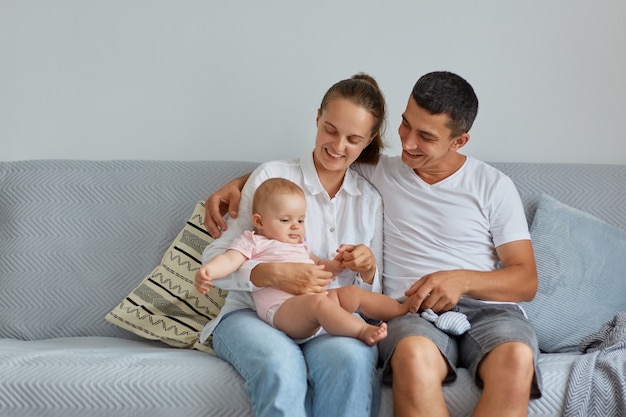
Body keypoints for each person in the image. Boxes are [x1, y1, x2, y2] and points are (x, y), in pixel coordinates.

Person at [204, 71, 543, 417]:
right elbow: (309, 168)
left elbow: (525, 280)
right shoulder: (367, 172)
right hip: (367, 311)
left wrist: (451, 278)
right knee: (391, 357)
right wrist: (245, 185)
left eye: (425, 136)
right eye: (405, 125)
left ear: (459, 141)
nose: (408, 143)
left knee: (513, 360)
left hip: (464, 312)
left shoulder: (481, 185)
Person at [199, 73, 388, 417]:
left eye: (353, 138)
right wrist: (271, 274)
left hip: (328, 321)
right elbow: (216, 259)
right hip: (252, 315)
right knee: (280, 366)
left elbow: (377, 289)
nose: (338, 145)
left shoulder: (370, 199)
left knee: (352, 362)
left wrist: (367, 266)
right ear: (317, 118)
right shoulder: (272, 177)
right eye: (330, 130)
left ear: (369, 140)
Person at [196, 177, 413, 346]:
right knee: (317, 304)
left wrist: (337, 265)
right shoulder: (253, 241)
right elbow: (230, 259)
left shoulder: (300, 246)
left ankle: (402, 310)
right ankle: (361, 330)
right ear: (259, 222)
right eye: (285, 220)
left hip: (319, 303)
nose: (295, 226)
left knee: (351, 294)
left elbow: (320, 266)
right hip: (282, 310)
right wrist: (209, 272)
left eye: (300, 220)